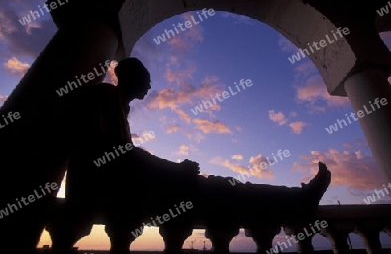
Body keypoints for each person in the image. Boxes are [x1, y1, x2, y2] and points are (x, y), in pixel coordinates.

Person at [50, 57, 331, 254]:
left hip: (126, 186)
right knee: (224, 189)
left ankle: (296, 197)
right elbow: (117, 154)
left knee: (225, 187)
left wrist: (174, 170)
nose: (149, 88)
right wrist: (175, 169)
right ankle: (297, 199)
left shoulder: (118, 105)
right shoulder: (106, 97)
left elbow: (123, 155)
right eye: (146, 82)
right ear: (132, 78)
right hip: (117, 190)